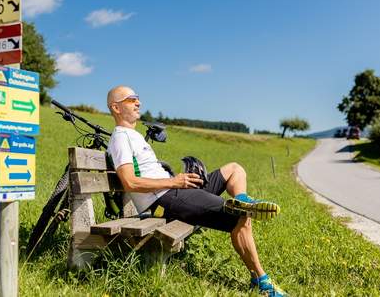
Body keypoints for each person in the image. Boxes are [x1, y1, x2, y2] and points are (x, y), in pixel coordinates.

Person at [106, 85, 286, 296]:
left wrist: (181, 182)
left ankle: (241, 199)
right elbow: (130, 182)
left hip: (175, 191)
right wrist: (175, 182)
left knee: (234, 169)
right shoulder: (120, 138)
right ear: (116, 108)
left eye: (138, 98)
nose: (138, 102)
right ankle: (262, 282)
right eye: (131, 99)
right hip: (164, 201)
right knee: (241, 218)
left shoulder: (133, 135)